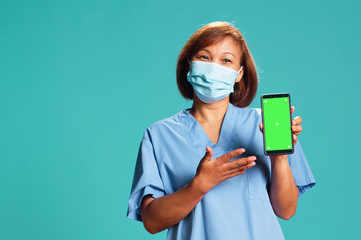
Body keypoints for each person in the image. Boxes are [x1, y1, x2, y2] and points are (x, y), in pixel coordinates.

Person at [126, 21, 316, 240]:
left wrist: (280, 158)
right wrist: (198, 186)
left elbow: (286, 210)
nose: (214, 66)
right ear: (189, 66)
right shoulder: (159, 135)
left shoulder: (264, 125)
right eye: (205, 57)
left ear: (239, 74)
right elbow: (152, 222)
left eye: (226, 60)